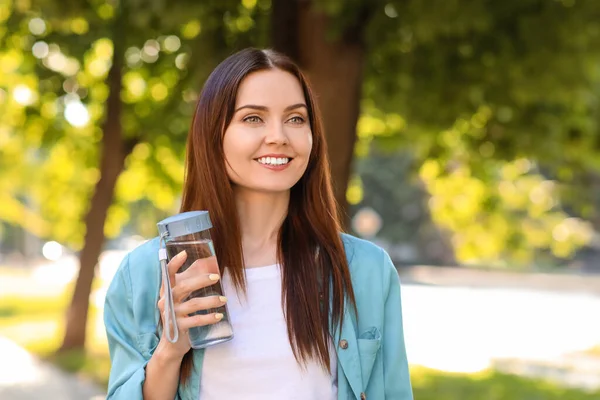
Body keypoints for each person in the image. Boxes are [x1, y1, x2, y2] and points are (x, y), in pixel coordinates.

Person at [104, 47, 413, 400]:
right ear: (213, 135)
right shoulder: (145, 274)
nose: (279, 135)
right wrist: (170, 352)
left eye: (296, 119)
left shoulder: (366, 271)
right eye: (253, 118)